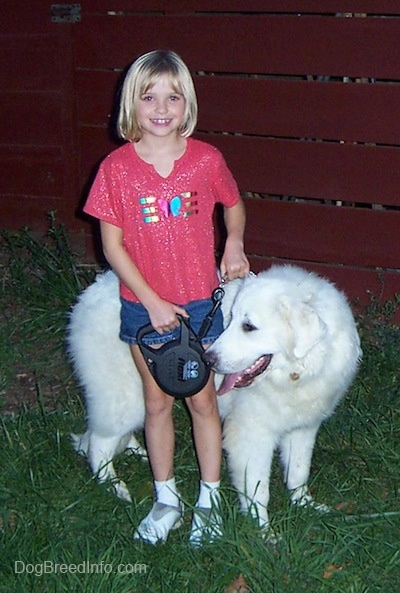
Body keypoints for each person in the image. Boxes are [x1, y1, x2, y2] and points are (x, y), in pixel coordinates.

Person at [83, 49, 249, 546]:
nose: (161, 108)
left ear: (186, 103)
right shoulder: (116, 169)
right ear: (131, 103)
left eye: (172, 97)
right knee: (156, 402)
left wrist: (234, 240)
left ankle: (211, 498)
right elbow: (111, 245)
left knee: (203, 402)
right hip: (143, 308)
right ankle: (166, 497)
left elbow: (234, 206)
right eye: (149, 97)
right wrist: (151, 301)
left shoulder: (206, 160)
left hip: (199, 305)